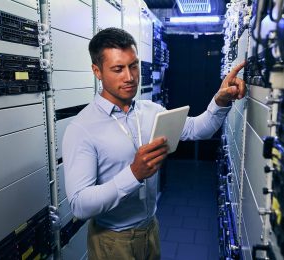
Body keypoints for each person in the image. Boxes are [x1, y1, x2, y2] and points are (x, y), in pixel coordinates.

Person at [62, 27, 246, 260]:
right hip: (112, 240)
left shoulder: (151, 111)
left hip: (150, 229)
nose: (129, 77)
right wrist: (133, 174)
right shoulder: (81, 129)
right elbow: (79, 205)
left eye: (133, 65)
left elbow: (198, 129)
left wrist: (219, 101)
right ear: (97, 71)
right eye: (118, 69)